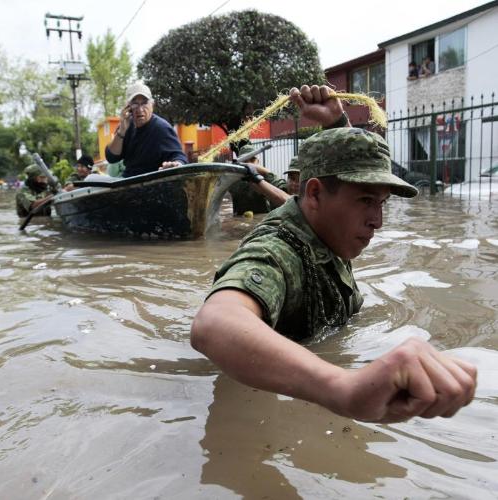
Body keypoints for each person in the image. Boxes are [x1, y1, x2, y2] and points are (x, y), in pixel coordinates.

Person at [191, 84, 477, 424]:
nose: (378, 221)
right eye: (366, 201)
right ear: (314, 194)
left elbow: (339, 184)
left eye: (382, 203)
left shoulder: (327, 227)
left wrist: (337, 122)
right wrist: (342, 386)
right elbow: (213, 324)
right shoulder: (277, 251)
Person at [105, 80, 187, 178]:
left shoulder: (161, 128)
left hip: (150, 184)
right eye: (135, 104)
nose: (140, 110)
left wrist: (176, 164)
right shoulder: (126, 125)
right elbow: (111, 157)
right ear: (128, 107)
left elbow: (179, 157)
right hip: (126, 181)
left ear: (152, 105)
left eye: (144, 103)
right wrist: (122, 131)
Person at [230, 144, 288, 215]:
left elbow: (284, 190)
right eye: (245, 161)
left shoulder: (265, 177)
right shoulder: (233, 180)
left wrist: (265, 172)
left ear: (257, 161)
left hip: (264, 220)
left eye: (252, 160)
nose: (249, 164)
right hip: (239, 221)